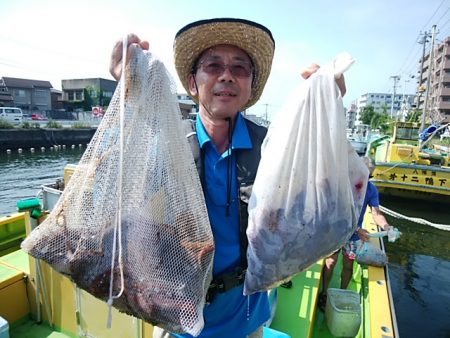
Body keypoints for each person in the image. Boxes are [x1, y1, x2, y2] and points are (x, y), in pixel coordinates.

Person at [109, 18, 345, 338]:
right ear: (192, 83)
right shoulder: (167, 142)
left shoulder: (276, 148)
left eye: (240, 68)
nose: (226, 75)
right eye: (213, 65)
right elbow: (119, 196)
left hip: (246, 318)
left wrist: (326, 108)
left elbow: (322, 202)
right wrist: (130, 95)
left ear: (250, 88)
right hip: (177, 318)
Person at [317, 156, 393, 312]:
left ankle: (342, 293)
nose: (367, 179)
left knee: (348, 264)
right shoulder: (344, 186)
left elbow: (376, 213)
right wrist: (357, 229)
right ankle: (324, 292)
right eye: (365, 175)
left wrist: (387, 227)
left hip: (353, 237)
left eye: (370, 176)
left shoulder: (371, 190)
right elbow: (335, 211)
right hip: (337, 232)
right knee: (331, 261)